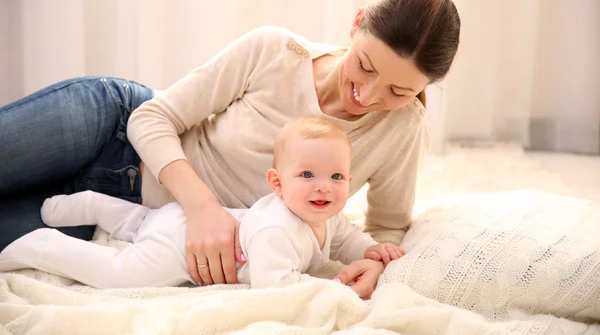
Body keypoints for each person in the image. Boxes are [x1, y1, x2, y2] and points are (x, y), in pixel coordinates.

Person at [0, 0, 461, 296]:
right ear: (357, 23)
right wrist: (204, 211)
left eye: (400, 90)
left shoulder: (402, 129)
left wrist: (375, 262)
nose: (370, 95)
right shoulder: (274, 51)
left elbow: (388, 226)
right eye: (365, 65)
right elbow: (151, 118)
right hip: (112, 126)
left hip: (130, 212)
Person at [0, 117, 403, 295]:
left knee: (143, 220)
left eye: (336, 177)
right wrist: (331, 290)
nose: (323, 188)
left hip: (175, 217)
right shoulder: (276, 230)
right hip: (182, 252)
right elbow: (274, 284)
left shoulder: (326, 216)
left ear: (349, 183)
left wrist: (369, 251)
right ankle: (39, 245)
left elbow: (346, 236)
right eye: (307, 176)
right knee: (119, 273)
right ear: (277, 184)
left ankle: (94, 205)